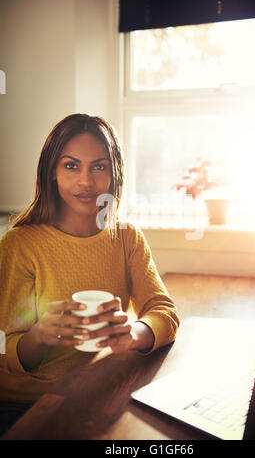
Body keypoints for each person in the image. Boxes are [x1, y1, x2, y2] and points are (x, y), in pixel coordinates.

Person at [0, 113, 180, 435]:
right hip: (26, 403)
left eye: (99, 166)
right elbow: (4, 345)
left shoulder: (127, 238)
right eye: (71, 166)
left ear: (113, 175)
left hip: (94, 390)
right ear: (52, 173)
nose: (86, 181)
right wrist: (38, 336)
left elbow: (164, 311)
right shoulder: (20, 244)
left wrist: (134, 334)